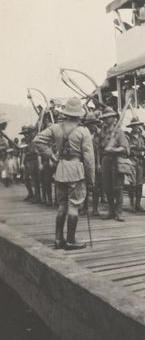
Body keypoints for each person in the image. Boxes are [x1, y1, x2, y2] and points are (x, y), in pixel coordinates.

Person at [33, 97, 95, 250]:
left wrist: (50, 155)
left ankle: (58, 239)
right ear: (79, 114)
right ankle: (71, 240)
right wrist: (91, 179)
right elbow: (88, 158)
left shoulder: (55, 128)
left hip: (60, 169)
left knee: (62, 205)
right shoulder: (83, 131)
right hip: (76, 170)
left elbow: (37, 140)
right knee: (74, 205)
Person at [99, 107, 129, 222]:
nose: (106, 120)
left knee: (118, 188)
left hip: (116, 161)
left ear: (113, 118)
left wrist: (113, 150)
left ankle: (119, 212)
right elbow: (99, 145)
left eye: (108, 118)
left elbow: (124, 147)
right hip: (105, 160)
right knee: (107, 187)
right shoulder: (103, 131)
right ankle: (111, 210)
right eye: (105, 118)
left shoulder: (119, 132)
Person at [126, 117, 145, 212]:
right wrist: (132, 148)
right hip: (132, 160)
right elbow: (126, 148)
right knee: (132, 183)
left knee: (140, 183)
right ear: (132, 127)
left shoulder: (142, 137)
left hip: (140, 161)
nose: (136, 127)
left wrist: (143, 149)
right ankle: (132, 204)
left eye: (137, 125)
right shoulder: (128, 137)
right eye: (134, 125)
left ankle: (138, 204)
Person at [83, 112, 102, 216]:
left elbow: (98, 150)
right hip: (84, 163)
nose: (92, 125)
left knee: (96, 186)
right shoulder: (83, 134)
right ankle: (84, 207)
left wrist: (98, 163)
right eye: (90, 123)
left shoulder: (97, 135)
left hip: (94, 163)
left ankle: (95, 208)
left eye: (94, 123)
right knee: (84, 186)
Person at [19, 125, 40, 202]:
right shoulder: (24, 141)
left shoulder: (34, 140)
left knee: (35, 179)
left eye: (27, 133)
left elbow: (35, 152)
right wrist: (21, 163)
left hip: (33, 160)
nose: (26, 135)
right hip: (26, 162)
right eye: (24, 133)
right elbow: (23, 152)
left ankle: (37, 197)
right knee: (26, 178)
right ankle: (31, 194)